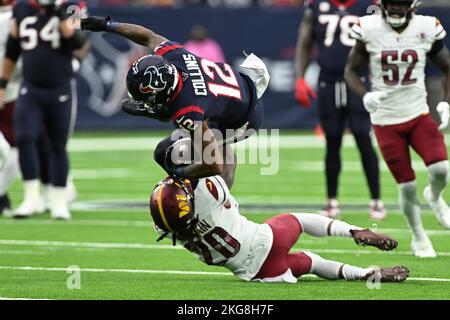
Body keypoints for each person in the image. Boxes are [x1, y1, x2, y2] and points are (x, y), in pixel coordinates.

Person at [80, 16, 269, 189]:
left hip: (243, 120)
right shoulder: (176, 56)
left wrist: (178, 176)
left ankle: (211, 205)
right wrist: (108, 25)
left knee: (167, 153)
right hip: (239, 91)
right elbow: (148, 36)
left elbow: (213, 164)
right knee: (191, 136)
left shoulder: (189, 110)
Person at [149, 176, 410, 283]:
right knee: (298, 219)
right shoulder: (206, 198)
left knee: (313, 263)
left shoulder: (171, 229)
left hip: (260, 274)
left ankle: (365, 273)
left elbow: (169, 213)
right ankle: (353, 231)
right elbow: (221, 166)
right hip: (267, 240)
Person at [345, 0, 450, 257]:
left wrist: (446, 102)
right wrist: (365, 95)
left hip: (417, 112)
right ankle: (419, 236)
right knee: (407, 186)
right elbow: (351, 71)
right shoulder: (368, 28)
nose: (395, 9)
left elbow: (448, 67)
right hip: (385, 120)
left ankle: (435, 197)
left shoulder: (426, 27)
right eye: (392, 3)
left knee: (441, 169)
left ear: (412, 5)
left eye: (401, 4)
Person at [295, 0, 386, 220]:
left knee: (363, 137)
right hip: (328, 81)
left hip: (357, 81)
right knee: (332, 140)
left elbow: (383, 42)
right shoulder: (316, 5)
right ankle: (332, 202)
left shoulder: (369, 6)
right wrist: (300, 77)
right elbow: (305, 41)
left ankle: (376, 201)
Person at [0, 0, 88, 220]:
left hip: (61, 87)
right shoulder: (22, 8)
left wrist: (59, 13)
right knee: (25, 138)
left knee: (58, 144)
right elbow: (12, 48)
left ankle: (58, 200)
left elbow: (78, 40)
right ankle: (31, 198)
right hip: (30, 87)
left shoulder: (72, 5)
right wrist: (2, 85)